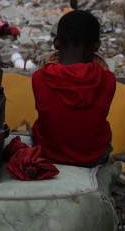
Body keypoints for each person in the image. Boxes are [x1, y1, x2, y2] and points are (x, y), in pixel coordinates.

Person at [31, 9, 116, 167]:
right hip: (93, 158)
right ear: (96, 45)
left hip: (48, 154)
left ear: (56, 42)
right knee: (106, 131)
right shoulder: (108, 80)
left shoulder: (38, 78)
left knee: (35, 129)